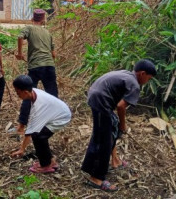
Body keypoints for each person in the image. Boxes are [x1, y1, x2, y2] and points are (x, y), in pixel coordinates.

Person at [81, 59, 157, 192]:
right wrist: (123, 124)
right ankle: (96, 178)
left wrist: (117, 124)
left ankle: (113, 160)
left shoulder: (126, 74)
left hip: (96, 96)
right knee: (103, 140)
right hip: (101, 101)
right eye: (149, 78)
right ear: (143, 74)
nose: (147, 81)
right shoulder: (134, 85)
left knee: (110, 130)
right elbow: (121, 106)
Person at [11, 75, 71, 173]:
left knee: (38, 136)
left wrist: (22, 149)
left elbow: (30, 132)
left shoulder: (39, 107)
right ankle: (49, 159)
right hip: (56, 111)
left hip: (61, 117)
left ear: (25, 92)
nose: (17, 95)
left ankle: (46, 165)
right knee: (40, 135)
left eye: (18, 93)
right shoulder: (33, 91)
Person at [16, 8, 58, 131]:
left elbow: (19, 36)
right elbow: (54, 54)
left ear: (32, 19)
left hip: (35, 66)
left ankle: (21, 125)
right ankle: (53, 121)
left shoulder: (29, 28)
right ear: (44, 19)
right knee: (53, 95)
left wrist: (19, 53)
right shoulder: (48, 33)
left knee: (27, 94)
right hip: (49, 66)